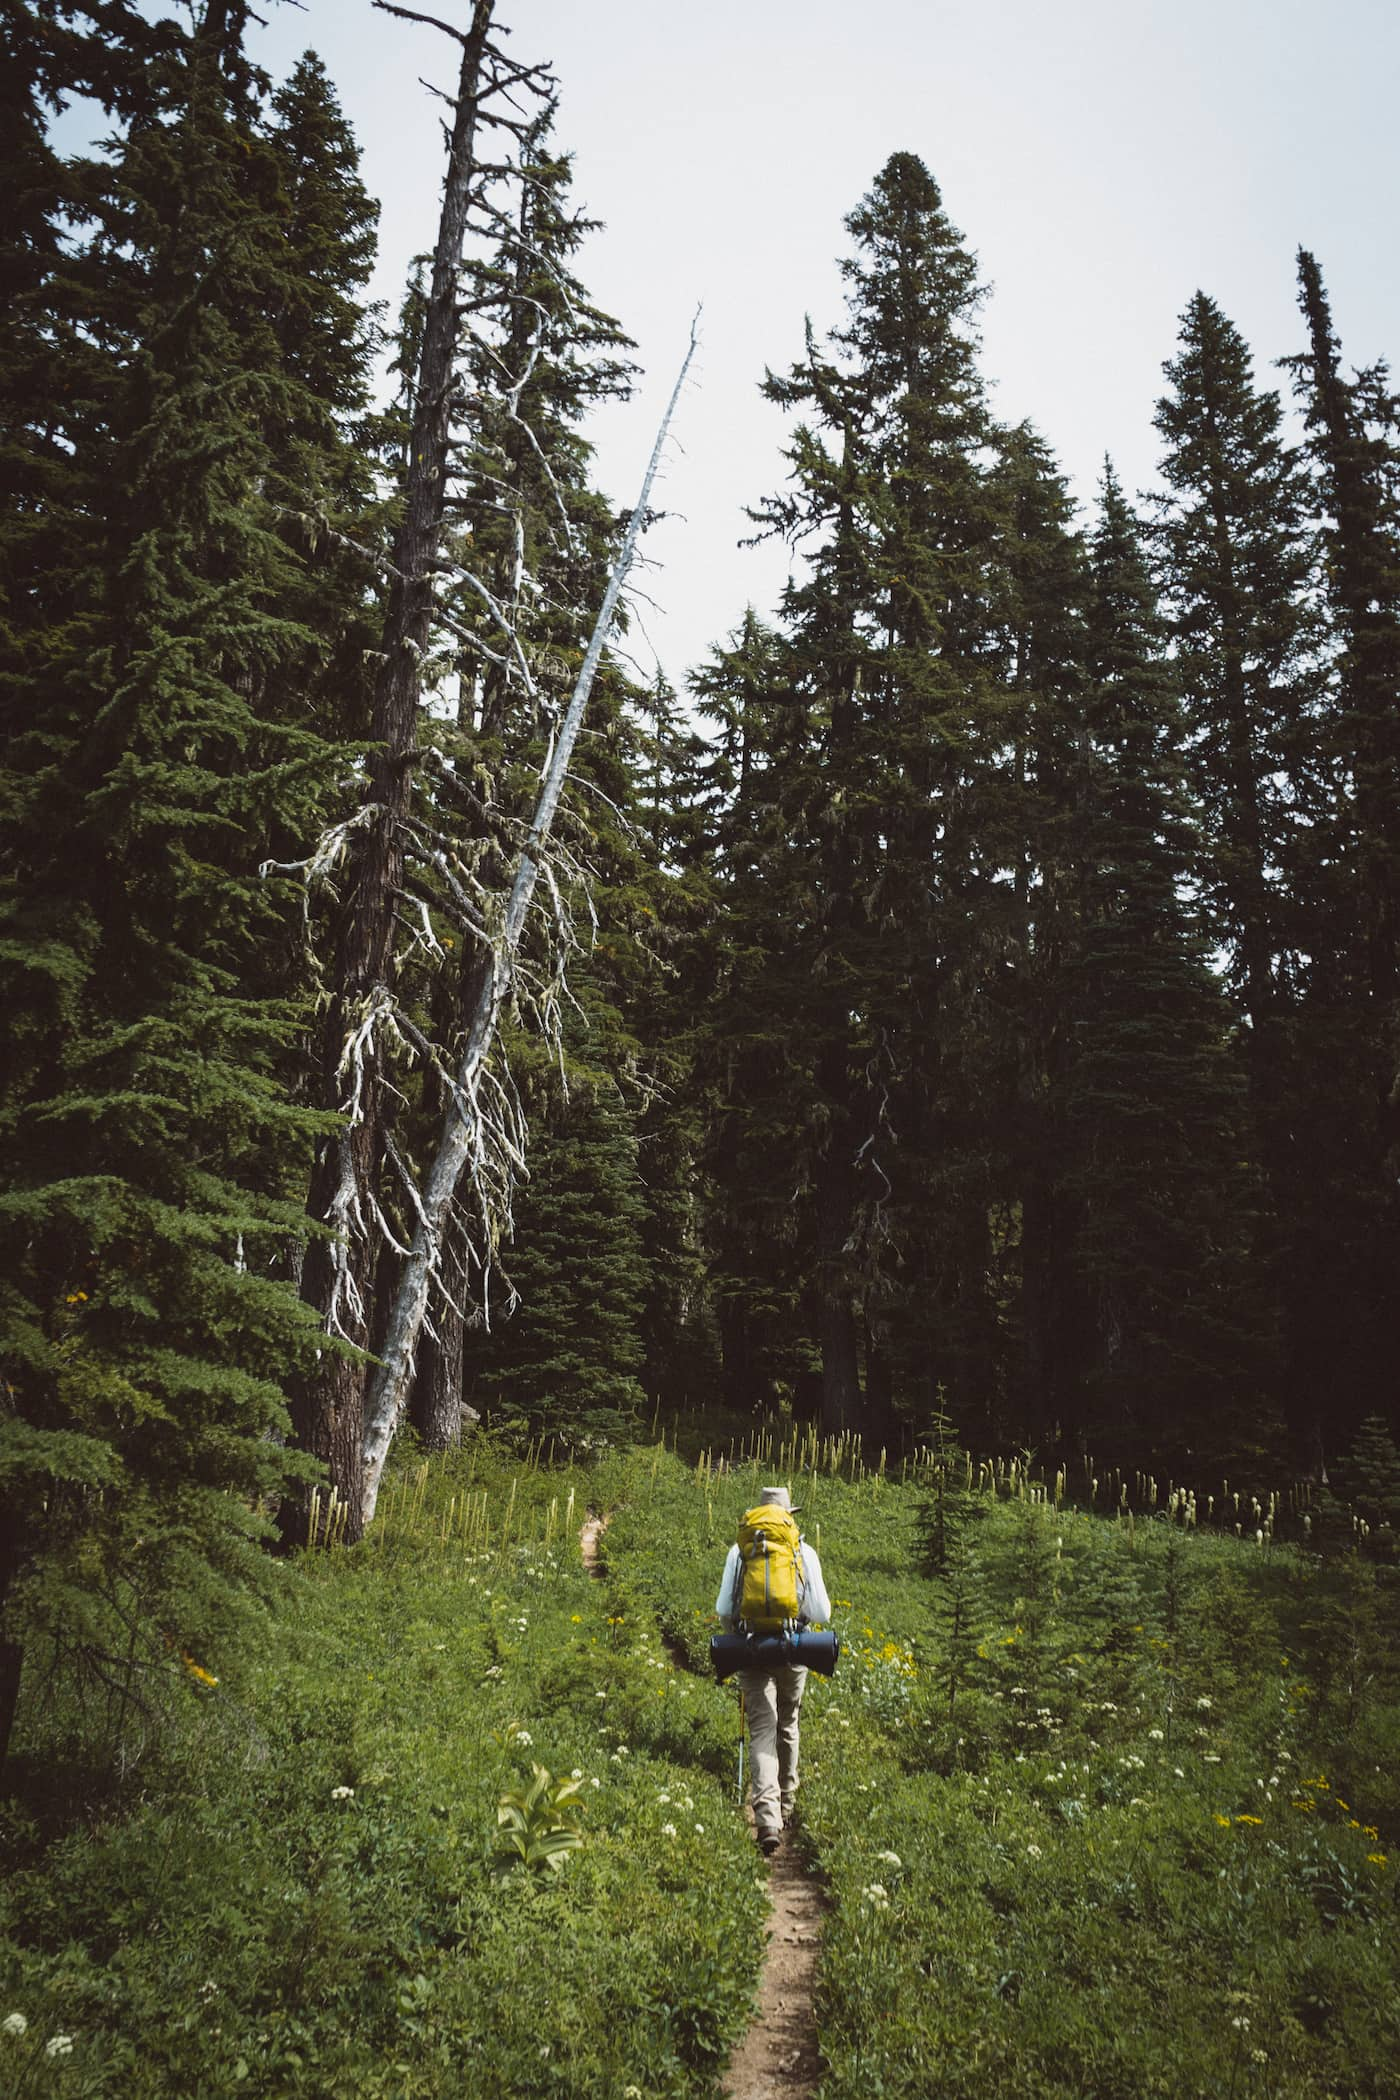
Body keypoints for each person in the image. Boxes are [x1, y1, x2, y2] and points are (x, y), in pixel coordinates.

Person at [714, 1485, 832, 1856]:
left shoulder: (740, 1550)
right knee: (789, 1723)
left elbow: (724, 1609)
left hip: (749, 1648)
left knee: (761, 1728)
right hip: (795, 1646)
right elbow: (822, 1612)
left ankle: (767, 1818)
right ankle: (787, 1805)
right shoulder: (802, 1550)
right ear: (788, 1515)